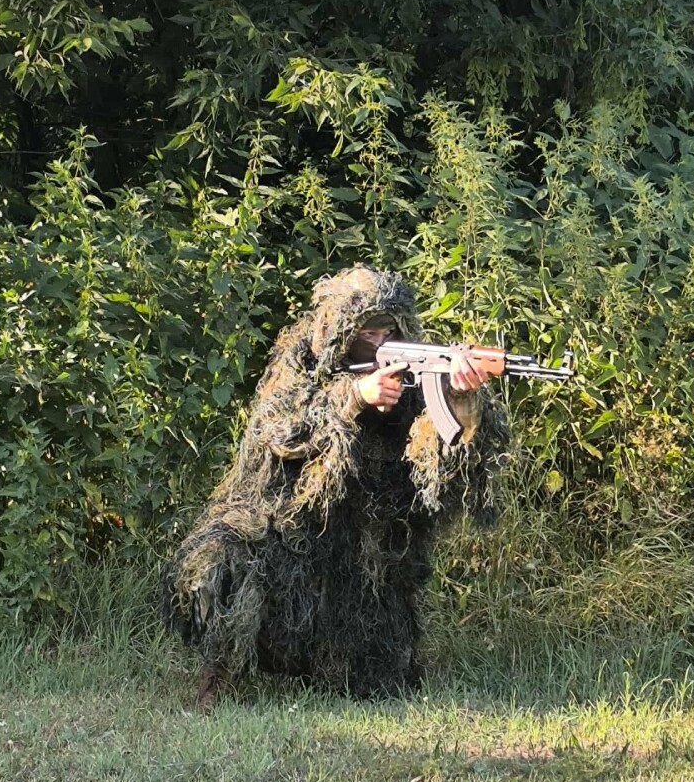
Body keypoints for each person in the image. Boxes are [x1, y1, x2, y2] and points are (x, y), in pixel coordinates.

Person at [162, 264, 508, 705]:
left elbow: (443, 470)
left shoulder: (418, 371)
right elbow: (281, 431)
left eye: (389, 332)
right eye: (368, 334)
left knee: (375, 682)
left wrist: (460, 399)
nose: (380, 344)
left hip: (370, 554)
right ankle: (220, 675)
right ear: (338, 332)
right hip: (289, 527)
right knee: (218, 564)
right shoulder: (302, 361)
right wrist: (356, 396)